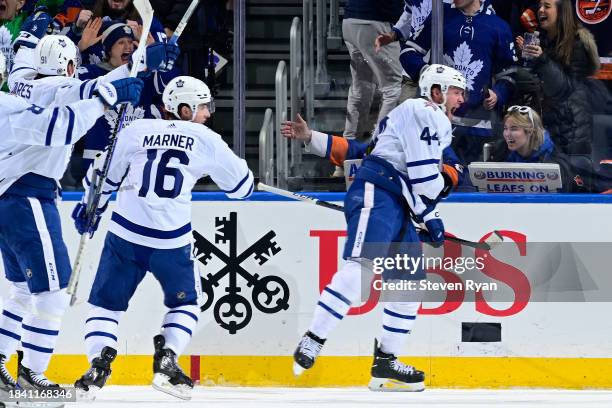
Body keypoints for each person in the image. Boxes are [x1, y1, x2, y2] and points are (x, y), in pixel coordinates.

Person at [71, 76, 254, 400]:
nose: (207, 114)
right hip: (172, 241)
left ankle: (99, 360)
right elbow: (241, 188)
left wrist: (91, 209)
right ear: (183, 109)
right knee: (187, 303)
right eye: (201, 107)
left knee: (104, 307)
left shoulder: (135, 131)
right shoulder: (204, 138)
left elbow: (100, 178)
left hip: (125, 234)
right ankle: (167, 356)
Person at [291, 64, 466, 391]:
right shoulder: (424, 111)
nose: (461, 98)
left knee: (410, 286)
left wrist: (428, 215)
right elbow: (423, 180)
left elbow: (410, 174)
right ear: (437, 91)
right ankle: (314, 337)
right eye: (456, 91)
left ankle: (386, 360)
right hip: (379, 193)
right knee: (361, 270)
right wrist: (431, 214)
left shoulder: (422, 123)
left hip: (397, 201)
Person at [0, 48, 144, 392]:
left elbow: (69, 90)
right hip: (25, 197)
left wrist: (132, 66)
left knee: (23, 290)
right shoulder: (7, 104)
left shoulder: (22, 88)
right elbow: (59, 125)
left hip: (16, 198)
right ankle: (32, 373)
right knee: (53, 294)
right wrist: (106, 98)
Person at [519, 0, 601, 155]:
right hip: (545, 126)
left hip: (571, 132)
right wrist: (526, 58)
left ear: (562, 12)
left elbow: (564, 90)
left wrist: (541, 59)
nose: (540, 10)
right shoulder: (542, 41)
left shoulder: (577, 44)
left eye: (547, 6)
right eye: (540, 6)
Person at [490, 105, 590, 192]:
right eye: (505, 128)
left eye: (514, 129)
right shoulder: (501, 152)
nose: (507, 134)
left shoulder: (555, 163)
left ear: (530, 131)